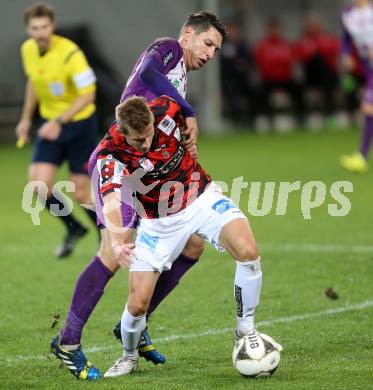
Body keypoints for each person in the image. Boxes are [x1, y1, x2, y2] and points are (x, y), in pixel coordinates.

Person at [51, 12, 226, 381]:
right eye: (208, 43)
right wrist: (190, 112)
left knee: (193, 244)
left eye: (216, 48)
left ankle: (135, 322)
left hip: (148, 172)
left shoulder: (176, 83)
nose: (211, 53)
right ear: (188, 34)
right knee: (114, 251)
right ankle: (67, 343)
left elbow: (161, 128)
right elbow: (148, 72)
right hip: (120, 164)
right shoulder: (168, 50)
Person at [93, 95, 282, 377]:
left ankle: (245, 330)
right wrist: (118, 241)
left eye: (148, 135)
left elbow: (185, 111)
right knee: (137, 305)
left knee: (248, 251)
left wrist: (192, 133)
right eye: (137, 141)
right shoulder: (110, 154)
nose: (145, 144)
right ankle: (129, 357)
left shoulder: (166, 109)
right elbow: (110, 202)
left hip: (201, 197)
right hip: (158, 222)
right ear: (122, 132)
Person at [15, 3, 99, 258]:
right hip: (51, 125)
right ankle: (74, 228)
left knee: (82, 192)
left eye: (44, 26)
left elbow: (89, 95)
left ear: (52, 26)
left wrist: (58, 121)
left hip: (79, 125)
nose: (40, 32)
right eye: (34, 28)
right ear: (28, 30)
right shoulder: (28, 50)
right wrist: (26, 119)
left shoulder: (71, 54)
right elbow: (34, 81)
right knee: (39, 185)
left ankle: (107, 234)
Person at [340, 0, 373, 173]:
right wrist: (345, 55)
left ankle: (362, 156)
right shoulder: (348, 14)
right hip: (369, 67)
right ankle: (362, 156)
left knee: (368, 108)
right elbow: (346, 38)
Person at [254, 17, 304, 127]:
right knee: (259, 93)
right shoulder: (263, 45)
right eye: (272, 28)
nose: (274, 31)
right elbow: (261, 63)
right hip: (269, 79)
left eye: (276, 28)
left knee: (298, 90)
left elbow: (293, 60)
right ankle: (266, 121)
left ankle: (301, 119)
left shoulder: (286, 44)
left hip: (285, 78)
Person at [296, 13, 340, 119]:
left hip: (328, 76)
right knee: (317, 59)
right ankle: (302, 118)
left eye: (315, 24)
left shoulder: (328, 38)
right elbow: (301, 57)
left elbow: (336, 53)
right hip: (311, 77)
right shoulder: (303, 41)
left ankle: (329, 116)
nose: (313, 27)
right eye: (311, 25)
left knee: (329, 79)